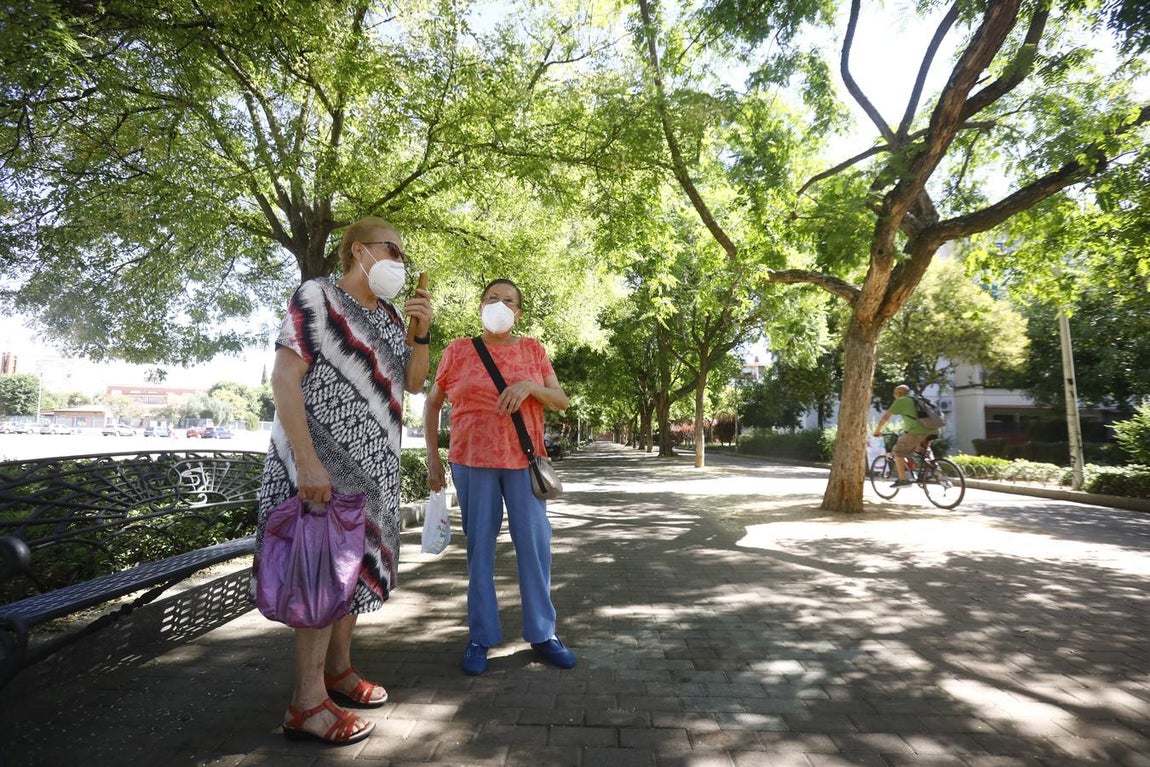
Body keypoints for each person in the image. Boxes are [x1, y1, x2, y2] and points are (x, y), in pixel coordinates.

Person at [253, 216, 432, 745]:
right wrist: (308, 463)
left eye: (403, 255)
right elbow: (285, 376)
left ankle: (339, 672)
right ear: (358, 251)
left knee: (352, 578)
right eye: (392, 251)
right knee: (320, 580)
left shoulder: (392, 316)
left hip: (373, 476)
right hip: (319, 472)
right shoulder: (317, 297)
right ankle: (306, 705)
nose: (400, 263)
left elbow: (415, 381)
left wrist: (421, 332)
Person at [423, 278, 574, 676]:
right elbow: (433, 403)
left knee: (535, 548)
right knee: (480, 554)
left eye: (508, 300)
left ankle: (543, 634)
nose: (499, 305)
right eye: (492, 298)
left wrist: (528, 386)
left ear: (519, 312)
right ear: (480, 306)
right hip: (472, 462)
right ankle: (480, 636)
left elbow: (561, 400)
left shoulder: (532, 350)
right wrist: (432, 460)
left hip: (524, 463)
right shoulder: (457, 350)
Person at [872, 384, 938, 487]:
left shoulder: (901, 401)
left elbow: (885, 417)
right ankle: (934, 467)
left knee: (898, 452)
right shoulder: (916, 400)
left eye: (894, 393)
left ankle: (903, 480)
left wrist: (877, 431)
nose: (894, 395)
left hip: (916, 432)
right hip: (933, 430)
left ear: (899, 393)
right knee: (922, 450)